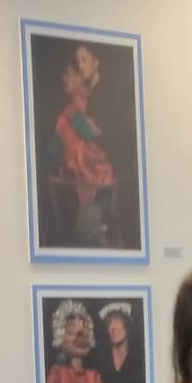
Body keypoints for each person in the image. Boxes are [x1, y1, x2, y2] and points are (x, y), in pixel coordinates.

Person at [51, 44, 117, 248]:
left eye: (84, 60)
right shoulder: (72, 110)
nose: (80, 67)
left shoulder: (100, 97)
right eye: (77, 62)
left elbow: (97, 135)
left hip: (93, 165)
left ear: (96, 62)